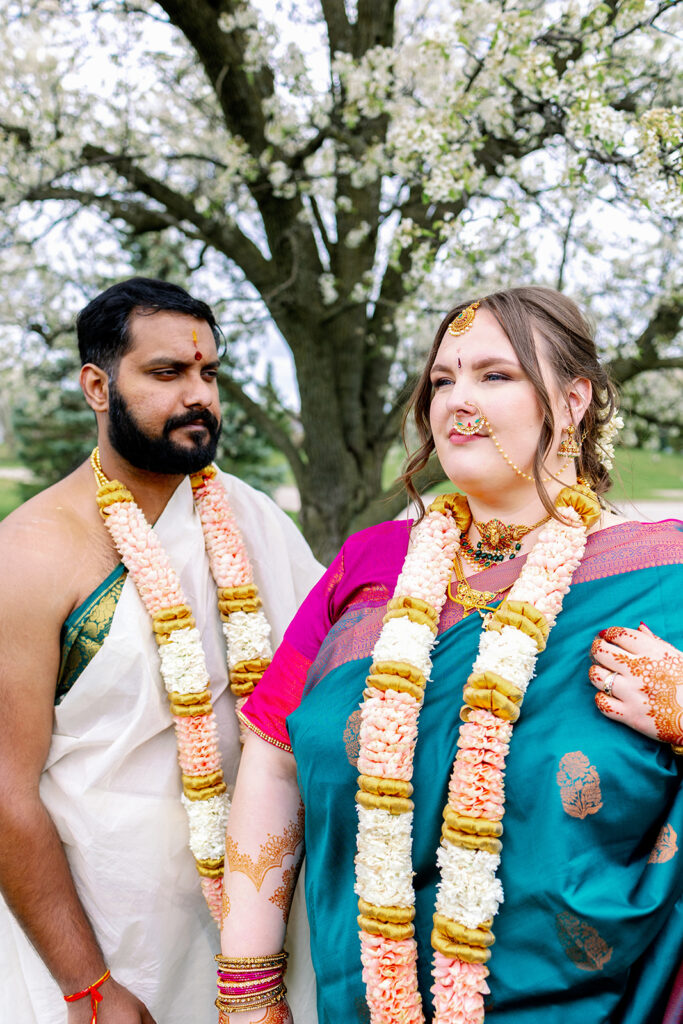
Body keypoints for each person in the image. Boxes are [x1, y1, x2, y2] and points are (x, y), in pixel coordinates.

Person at [219, 287, 682, 1024]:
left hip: (598, 1001)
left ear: (571, 402)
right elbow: (273, 757)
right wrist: (247, 988)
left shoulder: (661, 579)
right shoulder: (369, 564)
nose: (456, 401)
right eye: (441, 380)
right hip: (365, 998)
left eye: (493, 376)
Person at [0, 278, 322, 1024]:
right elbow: (6, 791)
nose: (197, 396)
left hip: (255, 927)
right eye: (166, 373)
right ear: (96, 385)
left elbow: (333, 678)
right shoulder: (28, 555)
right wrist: (88, 986)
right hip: (102, 941)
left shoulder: (250, 516)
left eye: (208, 373)